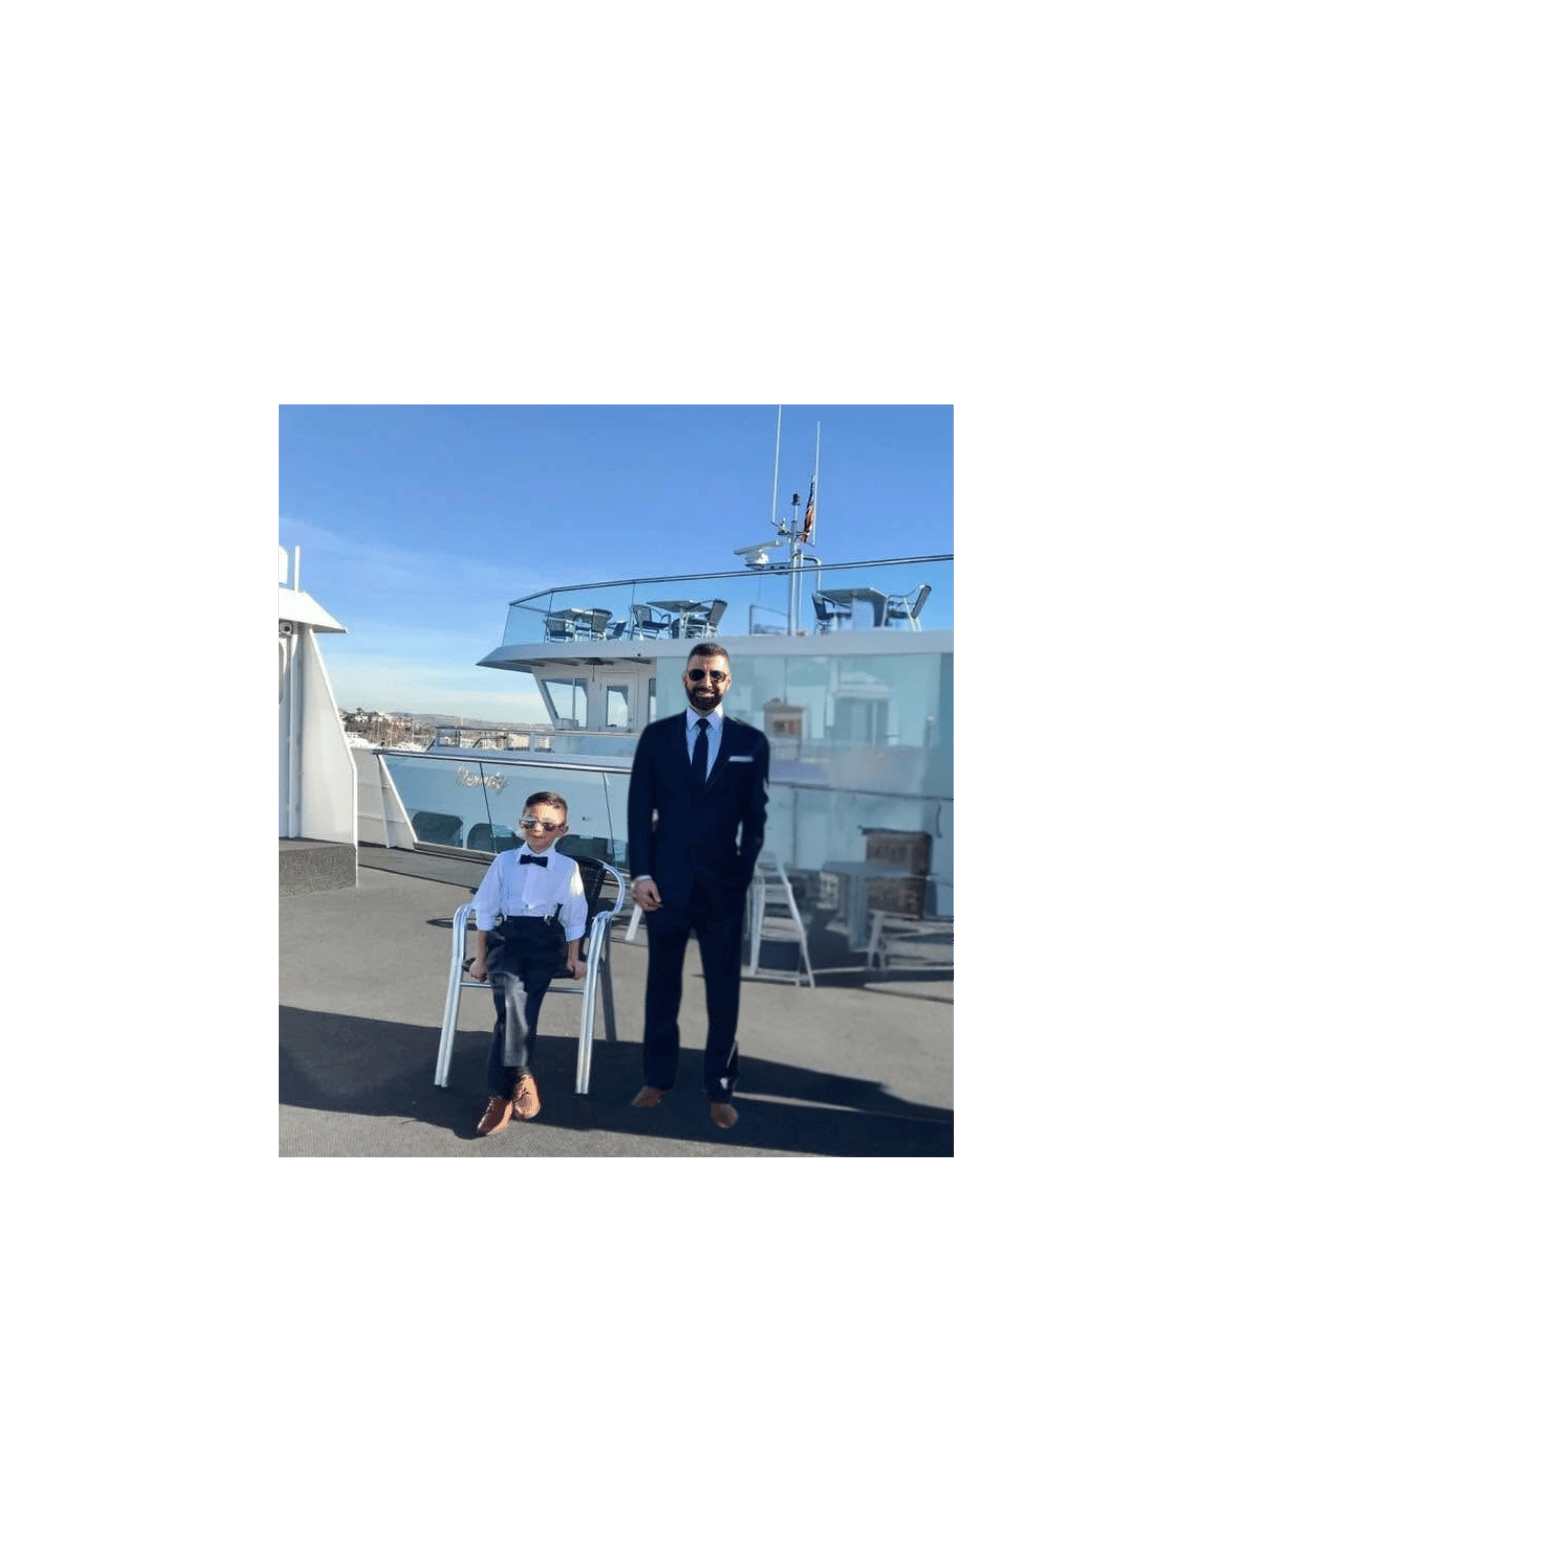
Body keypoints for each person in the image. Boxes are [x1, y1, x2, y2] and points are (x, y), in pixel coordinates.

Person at [628, 642, 769, 1128]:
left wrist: (741, 875)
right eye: (697, 674)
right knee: (662, 988)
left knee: (723, 994)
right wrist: (640, 873)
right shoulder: (656, 738)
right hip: (665, 885)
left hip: (722, 891)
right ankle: (657, 1079)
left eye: (715, 675)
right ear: (683, 679)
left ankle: (720, 1088)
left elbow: (756, 820)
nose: (706, 682)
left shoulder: (751, 743)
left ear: (728, 682)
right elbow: (637, 811)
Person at [467, 791, 589, 1135]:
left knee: (518, 1004)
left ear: (562, 831)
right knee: (511, 997)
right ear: (521, 822)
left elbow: (575, 918)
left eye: (547, 825)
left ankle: (500, 1097)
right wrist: (479, 958)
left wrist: (573, 958)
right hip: (506, 939)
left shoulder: (568, 868)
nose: (537, 830)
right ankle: (519, 1075)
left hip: (545, 940)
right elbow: (486, 912)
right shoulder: (503, 860)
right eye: (530, 821)